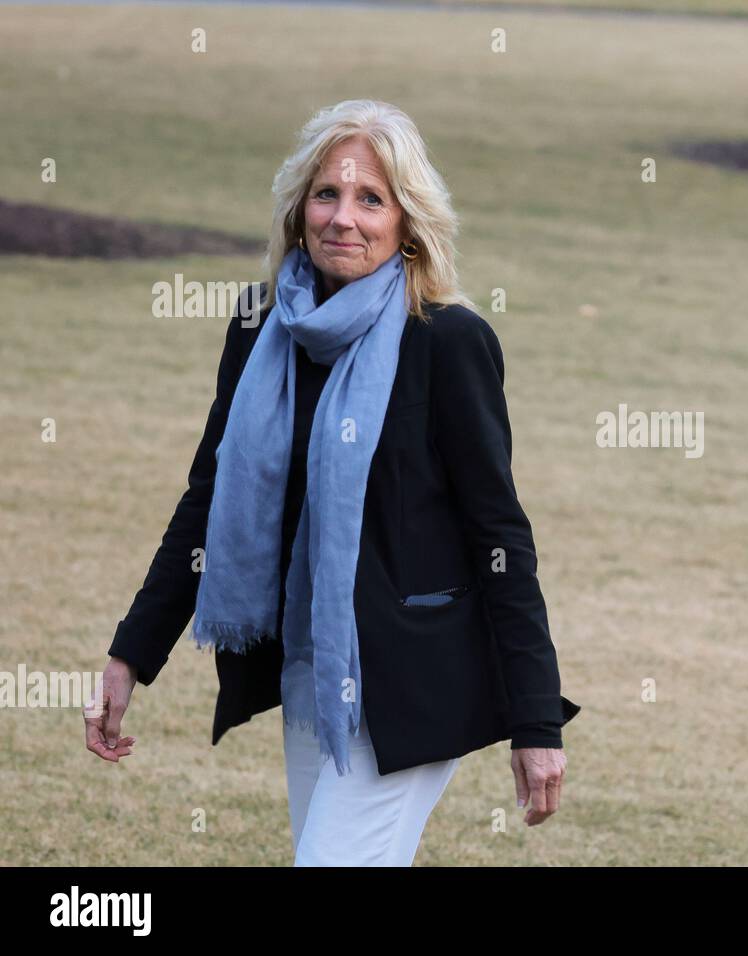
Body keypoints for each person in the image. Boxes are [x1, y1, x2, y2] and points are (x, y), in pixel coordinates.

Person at [87, 99, 579, 866]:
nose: (343, 218)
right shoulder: (260, 327)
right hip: (314, 669)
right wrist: (130, 655)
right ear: (298, 207)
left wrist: (537, 721)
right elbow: (209, 500)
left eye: (370, 199)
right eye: (327, 194)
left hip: (414, 680)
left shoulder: (447, 342)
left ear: (407, 221)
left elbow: (500, 539)